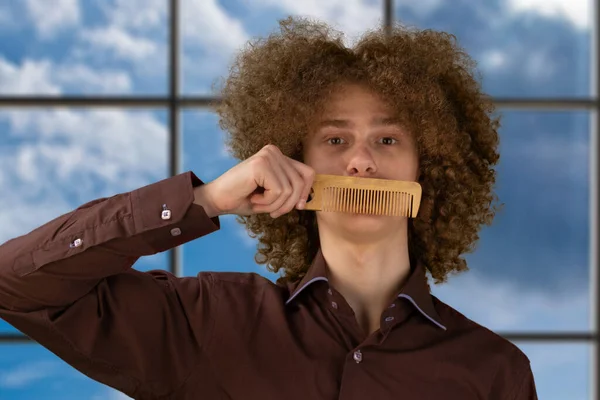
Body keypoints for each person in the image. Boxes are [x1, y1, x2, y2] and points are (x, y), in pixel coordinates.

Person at [0, 16, 537, 400]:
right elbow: (16, 286)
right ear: (295, 164)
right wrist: (204, 200)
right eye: (335, 140)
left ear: (431, 168)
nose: (361, 163)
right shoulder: (209, 322)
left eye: (389, 140)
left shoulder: (493, 372)